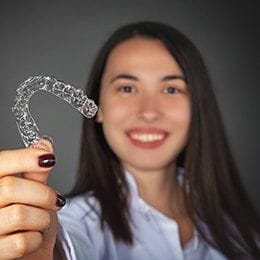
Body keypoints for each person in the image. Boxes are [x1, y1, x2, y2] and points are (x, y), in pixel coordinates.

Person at [0, 21, 259, 260]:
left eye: (171, 89)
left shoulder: (239, 227)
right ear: (98, 107)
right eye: (127, 88)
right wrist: (46, 250)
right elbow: (66, 246)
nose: (148, 111)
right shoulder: (75, 222)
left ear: (198, 106)